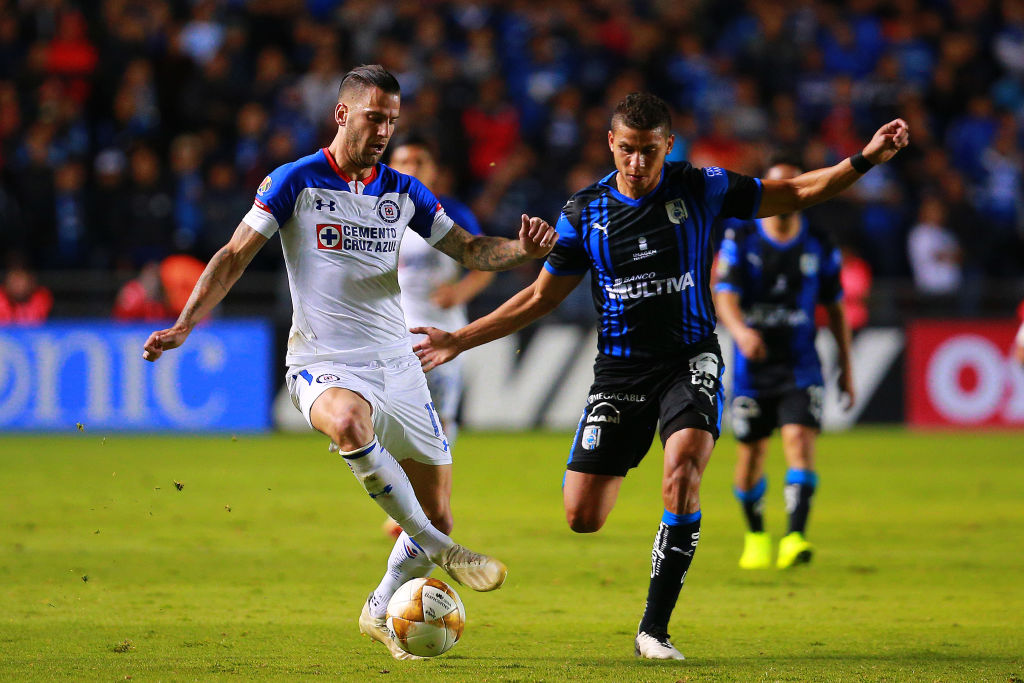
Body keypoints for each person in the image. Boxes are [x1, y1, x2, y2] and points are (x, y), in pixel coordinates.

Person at [413, 92, 908, 660]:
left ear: (668, 146)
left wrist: (864, 159)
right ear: (611, 145)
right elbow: (538, 297)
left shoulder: (700, 186)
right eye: (627, 151)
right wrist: (459, 338)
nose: (638, 164)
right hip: (620, 373)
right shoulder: (584, 212)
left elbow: (792, 192)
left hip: (689, 358)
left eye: (650, 152)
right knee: (582, 516)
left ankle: (654, 628)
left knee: (685, 465)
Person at [141, 65, 558, 661]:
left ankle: (381, 602)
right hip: (323, 359)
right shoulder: (295, 181)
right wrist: (185, 323)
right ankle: (438, 547)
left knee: (438, 502)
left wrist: (523, 251)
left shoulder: (403, 191)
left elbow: (467, 248)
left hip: (398, 362)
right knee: (348, 425)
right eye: (374, 117)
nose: (385, 129)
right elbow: (233, 255)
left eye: (392, 119)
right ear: (342, 114)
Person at [713, 159, 854, 572]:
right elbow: (724, 293)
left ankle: (795, 536)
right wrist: (740, 332)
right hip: (752, 371)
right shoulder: (740, 236)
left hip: (800, 365)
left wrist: (847, 364)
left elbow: (837, 307)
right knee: (752, 456)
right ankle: (756, 535)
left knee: (799, 444)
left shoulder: (820, 243)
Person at [392, 135, 495, 447]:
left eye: (419, 162)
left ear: (434, 170)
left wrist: (459, 292)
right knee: (394, 410)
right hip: (394, 327)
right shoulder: (379, 214)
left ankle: (438, 478)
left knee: (441, 413)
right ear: (389, 168)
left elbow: (483, 265)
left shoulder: (451, 213)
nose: (411, 168)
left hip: (443, 328)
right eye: (403, 162)